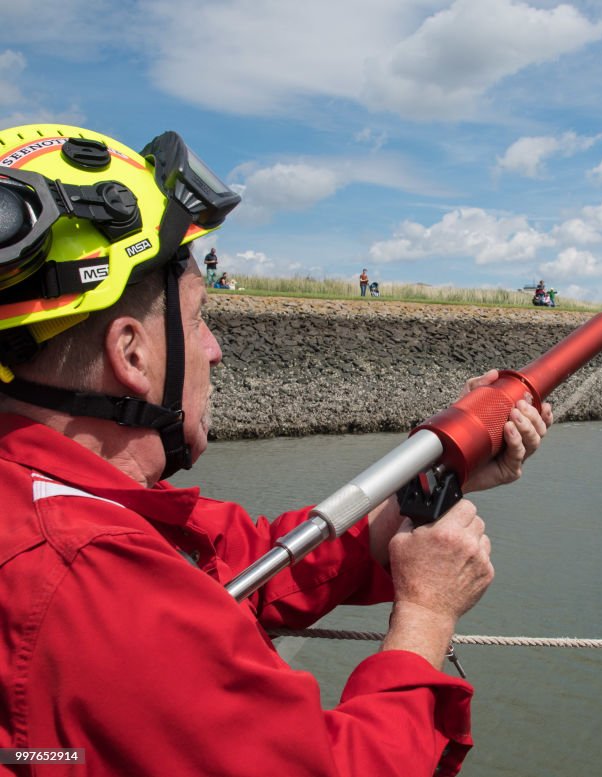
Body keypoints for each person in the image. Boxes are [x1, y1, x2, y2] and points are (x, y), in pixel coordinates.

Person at [0, 123, 553, 776]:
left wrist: (438, 471)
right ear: (130, 354)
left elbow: (238, 564)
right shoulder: (88, 578)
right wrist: (426, 614)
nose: (214, 349)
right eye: (199, 318)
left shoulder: (62, 501)